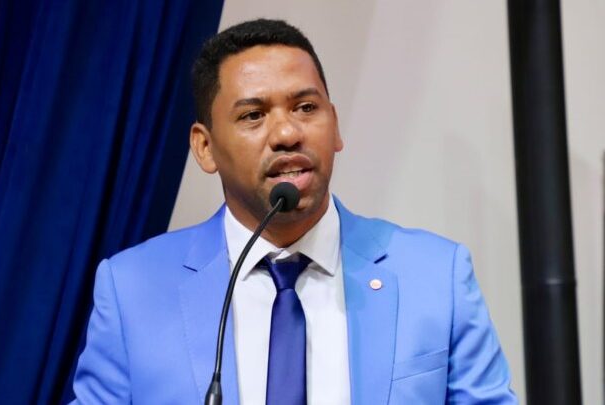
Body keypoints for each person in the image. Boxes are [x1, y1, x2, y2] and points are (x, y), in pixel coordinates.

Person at [70, 19, 517, 404]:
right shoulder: (132, 289)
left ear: (335, 126)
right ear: (205, 148)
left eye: (306, 108)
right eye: (253, 115)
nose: (287, 133)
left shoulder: (436, 276)